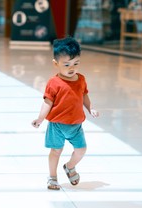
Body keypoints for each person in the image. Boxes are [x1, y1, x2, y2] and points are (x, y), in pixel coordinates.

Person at [31, 37, 99, 190]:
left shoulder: (81, 79)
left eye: (76, 63)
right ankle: (52, 177)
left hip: (76, 125)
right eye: (66, 64)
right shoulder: (54, 83)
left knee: (81, 150)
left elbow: (84, 95)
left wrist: (90, 108)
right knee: (56, 151)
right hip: (57, 125)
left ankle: (69, 166)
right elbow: (47, 102)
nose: (72, 68)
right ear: (56, 64)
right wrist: (40, 119)